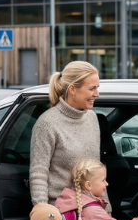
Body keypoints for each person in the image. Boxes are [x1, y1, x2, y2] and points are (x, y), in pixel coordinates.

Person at [29, 61, 104, 208]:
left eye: (97, 88)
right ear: (72, 89)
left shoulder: (92, 118)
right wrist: (44, 212)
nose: (97, 94)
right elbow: (39, 173)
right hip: (63, 213)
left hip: (93, 210)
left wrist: (106, 208)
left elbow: (96, 172)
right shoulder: (47, 123)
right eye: (92, 89)